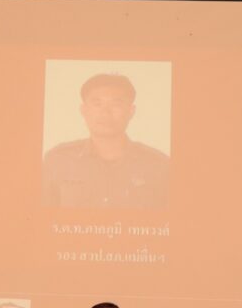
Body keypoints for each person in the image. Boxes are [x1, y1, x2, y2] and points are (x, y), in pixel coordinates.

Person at [43, 74, 169, 209]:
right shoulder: (58, 160)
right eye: (97, 104)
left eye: (116, 104)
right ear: (84, 110)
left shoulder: (158, 165)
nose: (105, 113)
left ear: (131, 111)